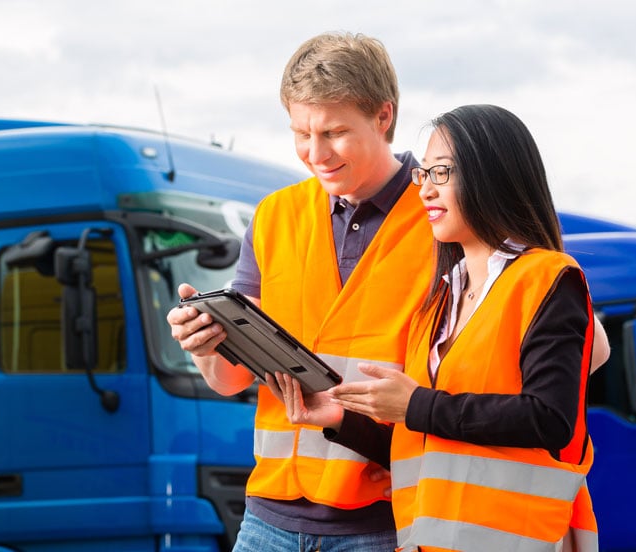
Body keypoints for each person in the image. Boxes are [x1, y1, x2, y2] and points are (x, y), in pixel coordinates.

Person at [273, 104, 601, 551]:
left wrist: (416, 405)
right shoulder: (439, 301)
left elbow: (550, 420)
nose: (425, 189)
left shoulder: (548, 278)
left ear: (493, 174)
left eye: (441, 173)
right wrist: (341, 420)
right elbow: (424, 442)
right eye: (422, 174)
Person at [168, 31, 434, 551]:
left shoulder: (441, 214)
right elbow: (228, 380)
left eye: (334, 132)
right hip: (269, 519)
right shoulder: (275, 217)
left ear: (383, 116)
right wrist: (204, 346)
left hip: (385, 521)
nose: (315, 154)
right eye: (300, 133)